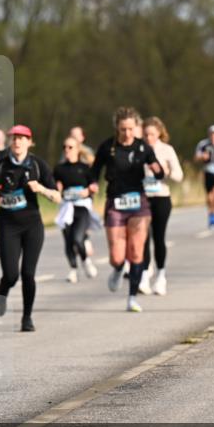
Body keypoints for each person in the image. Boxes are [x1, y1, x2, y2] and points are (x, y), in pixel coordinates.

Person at [87, 107, 165, 312]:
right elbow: (94, 171)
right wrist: (93, 183)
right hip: (115, 202)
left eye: (131, 129)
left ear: (136, 128)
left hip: (139, 203)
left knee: (137, 252)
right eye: (123, 129)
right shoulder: (107, 148)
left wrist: (157, 170)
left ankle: (132, 297)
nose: (127, 133)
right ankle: (118, 268)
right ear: (117, 128)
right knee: (117, 256)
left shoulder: (143, 147)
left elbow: (158, 171)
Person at [0, 125, 60, 332]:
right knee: (11, 275)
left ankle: (27, 318)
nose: (18, 141)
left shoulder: (38, 165)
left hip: (32, 226)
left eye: (22, 138)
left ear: (30, 142)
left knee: (28, 274)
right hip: (8, 226)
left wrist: (41, 189)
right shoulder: (1, 165)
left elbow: (57, 197)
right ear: (11, 141)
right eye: (15, 138)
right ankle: (2, 292)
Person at [139, 116, 184, 294]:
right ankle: (143, 275)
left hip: (161, 197)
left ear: (159, 134)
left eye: (152, 134)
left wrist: (165, 170)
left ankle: (161, 276)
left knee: (158, 237)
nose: (148, 137)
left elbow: (179, 176)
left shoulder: (167, 150)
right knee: (142, 237)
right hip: (143, 198)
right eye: (146, 134)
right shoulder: (139, 149)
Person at [54, 136, 99, 283]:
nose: (67, 150)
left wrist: (89, 190)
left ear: (77, 149)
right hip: (66, 208)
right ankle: (73, 269)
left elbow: (94, 185)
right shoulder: (59, 169)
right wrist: (57, 188)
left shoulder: (85, 168)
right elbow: (54, 185)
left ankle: (86, 261)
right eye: (64, 147)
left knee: (78, 239)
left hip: (82, 208)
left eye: (70, 147)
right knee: (68, 241)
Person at [194, 124, 214, 230]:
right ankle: (211, 216)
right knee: (209, 197)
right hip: (208, 171)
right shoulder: (203, 144)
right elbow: (196, 157)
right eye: (212, 134)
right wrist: (202, 156)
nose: (213, 136)